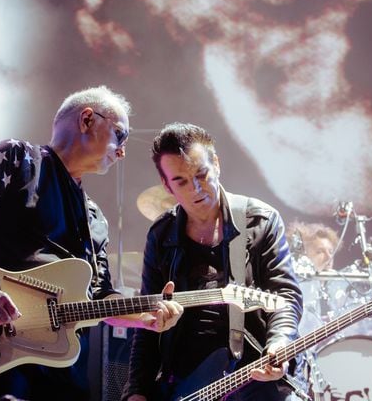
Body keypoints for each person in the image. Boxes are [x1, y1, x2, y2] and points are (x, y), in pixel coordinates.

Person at [0, 85, 183, 401]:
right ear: (87, 120)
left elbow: (99, 297)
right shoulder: (18, 159)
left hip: (63, 373)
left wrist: (146, 318)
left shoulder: (95, 218)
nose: (121, 151)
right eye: (119, 135)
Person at [122, 122, 304, 401]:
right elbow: (149, 322)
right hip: (183, 384)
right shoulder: (161, 235)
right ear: (166, 185)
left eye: (202, 174)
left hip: (252, 375)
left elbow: (286, 295)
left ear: (216, 164)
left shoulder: (261, 221)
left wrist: (279, 343)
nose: (195, 189)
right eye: (180, 181)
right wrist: (136, 391)